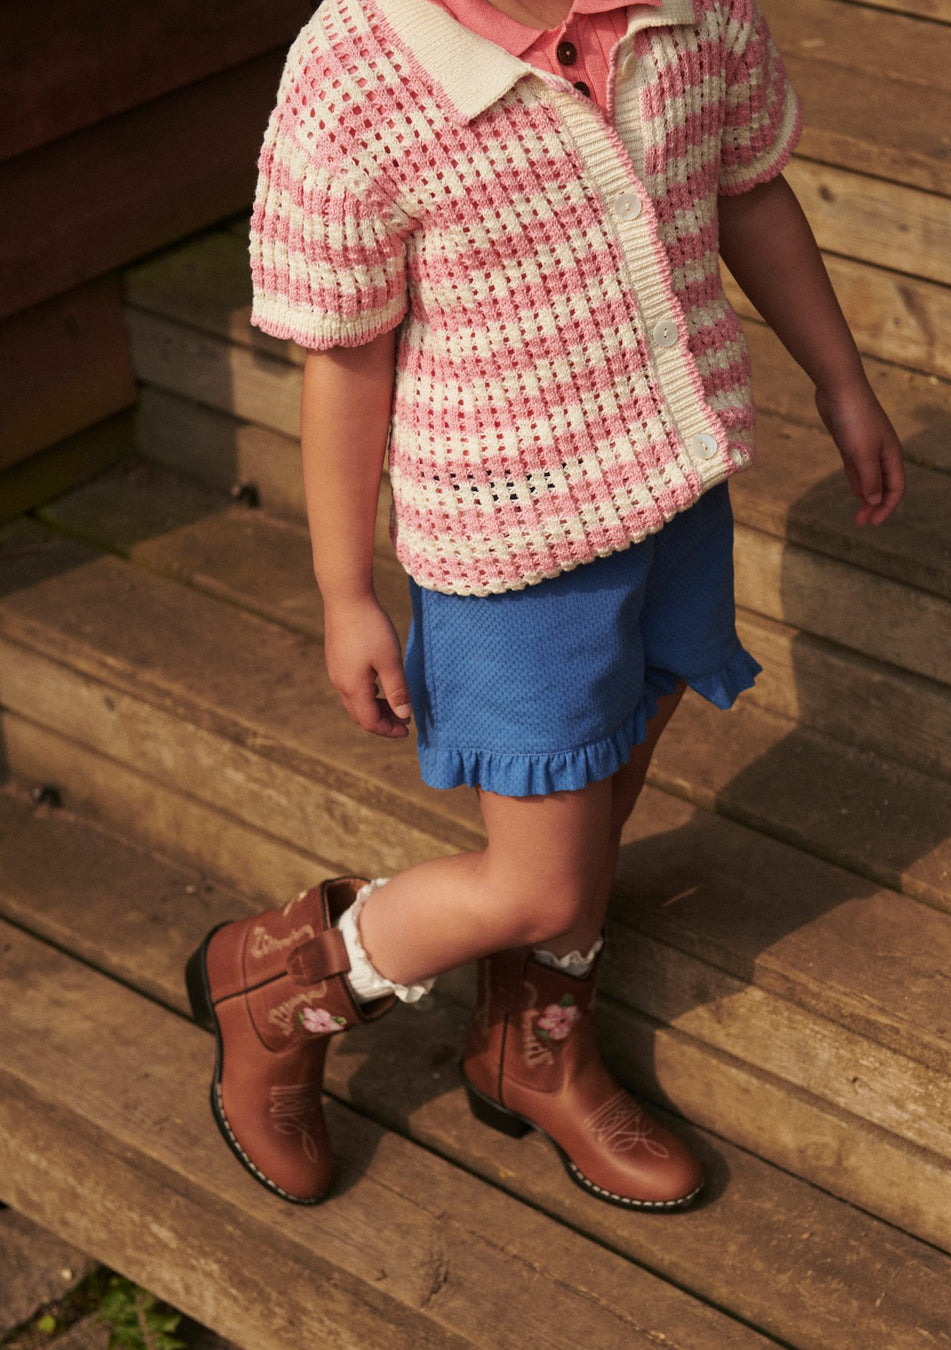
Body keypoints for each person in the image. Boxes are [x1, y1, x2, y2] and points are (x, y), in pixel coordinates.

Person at [186, 0, 905, 1211]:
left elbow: (744, 191)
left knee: (612, 781)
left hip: (673, 494)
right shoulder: (362, 70)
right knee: (543, 882)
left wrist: (841, 379)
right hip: (513, 552)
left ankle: (530, 1046)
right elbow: (345, 348)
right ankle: (285, 980)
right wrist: (343, 586)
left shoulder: (693, 16)